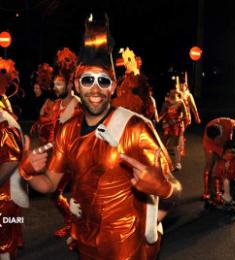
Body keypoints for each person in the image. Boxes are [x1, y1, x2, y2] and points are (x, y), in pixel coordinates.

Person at [18, 14, 182, 259]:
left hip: (127, 248)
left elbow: (174, 188)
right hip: (86, 243)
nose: (96, 89)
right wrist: (28, 173)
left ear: (113, 87)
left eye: (103, 81)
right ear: (76, 85)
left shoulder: (135, 127)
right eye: (88, 80)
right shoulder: (68, 129)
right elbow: (50, 184)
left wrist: (166, 189)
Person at [49, 47, 81, 238]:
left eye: (59, 84)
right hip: (60, 157)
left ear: (69, 86)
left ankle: (78, 228)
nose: (55, 87)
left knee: (80, 196)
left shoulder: (77, 104)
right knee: (55, 194)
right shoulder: (55, 105)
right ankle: (70, 222)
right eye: (54, 84)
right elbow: (54, 131)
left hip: (76, 159)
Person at [0, 57, 27, 260]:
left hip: (6, 195)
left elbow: (11, 160)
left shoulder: (4, 122)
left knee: (5, 249)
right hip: (10, 190)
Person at [160, 88, 188, 170]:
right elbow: (162, 113)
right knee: (163, 144)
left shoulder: (180, 102)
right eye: (171, 90)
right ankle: (165, 163)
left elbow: (185, 116)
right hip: (167, 125)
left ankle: (178, 163)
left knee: (175, 145)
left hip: (176, 125)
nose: (173, 92)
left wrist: (177, 120)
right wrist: (157, 119)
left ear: (176, 92)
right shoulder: (166, 103)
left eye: (174, 90)